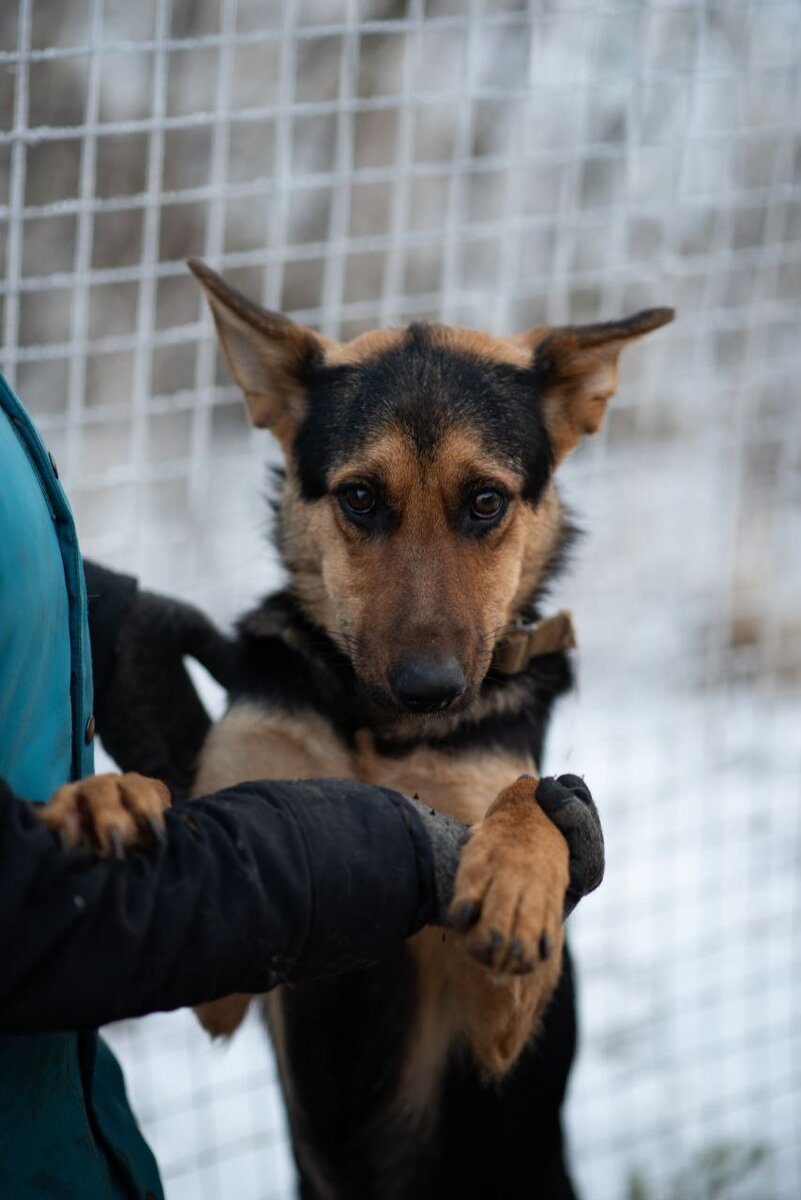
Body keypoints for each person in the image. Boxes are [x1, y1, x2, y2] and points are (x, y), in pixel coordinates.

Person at [0, 371, 603, 1198]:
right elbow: (220, 1006)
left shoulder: (495, 708)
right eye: (361, 500)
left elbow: (499, 1035)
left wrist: (534, 836)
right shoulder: (275, 694)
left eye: (483, 506)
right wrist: (129, 814)